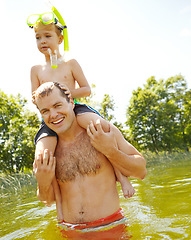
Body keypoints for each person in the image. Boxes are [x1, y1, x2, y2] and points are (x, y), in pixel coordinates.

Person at [27, 11, 135, 221]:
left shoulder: (71, 63)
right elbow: (34, 97)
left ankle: (123, 179)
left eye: (47, 36)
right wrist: (45, 102)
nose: (42, 41)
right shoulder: (36, 69)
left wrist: (68, 94)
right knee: (43, 157)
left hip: (75, 108)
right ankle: (59, 209)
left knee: (100, 129)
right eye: (38, 38)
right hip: (52, 118)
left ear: (60, 39)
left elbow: (86, 89)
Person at [32, 82, 147, 238]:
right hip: (71, 232)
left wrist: (110, 150)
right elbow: (47, 200)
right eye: (45, 111)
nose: (53, 115)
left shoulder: (99, 132)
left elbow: (141, 170)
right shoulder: (49, 151)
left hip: (112, 227)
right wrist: (43, 182)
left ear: (71, 102)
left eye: (58, 105)